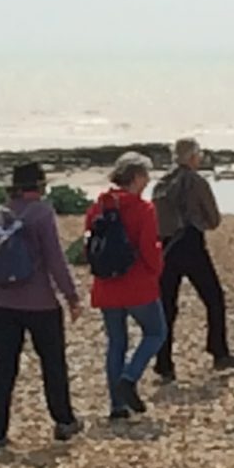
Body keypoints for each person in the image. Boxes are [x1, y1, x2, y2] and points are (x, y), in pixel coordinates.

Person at [0, 161, 84, 454]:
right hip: (40, 303)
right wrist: (71, 296)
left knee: (2, 369)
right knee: (52, 364)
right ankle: (63, 420)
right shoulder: (41, 213)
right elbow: (55, 259)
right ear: (39, 186)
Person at [151, 138, 234, 381]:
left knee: (167, 306)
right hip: (191, 244)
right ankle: (219, 351)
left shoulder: (161, 184)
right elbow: (213, 219)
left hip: (166, 246)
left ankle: (164, 362)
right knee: (214, 297)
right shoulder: (196, 182)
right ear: (193, 157)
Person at [85, 152, 167, 421]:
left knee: (116, 342)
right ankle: (129, 378)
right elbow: (149, 249)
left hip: (107, 284)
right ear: (137, 177)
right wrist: (157, 269)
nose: (148, 180)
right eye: (146, 175)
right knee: (155, 332)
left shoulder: (99, 206)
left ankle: (117, 405)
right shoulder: (143, 209)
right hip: (137, 284)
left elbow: (90, 243)